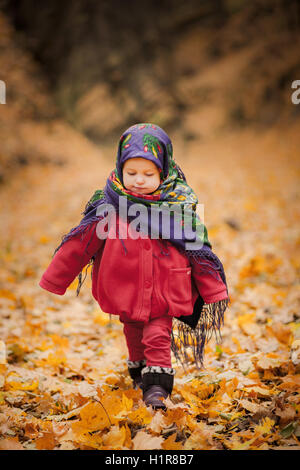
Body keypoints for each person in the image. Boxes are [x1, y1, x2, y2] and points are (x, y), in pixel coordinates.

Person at [39, 123, 229, 410]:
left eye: (148, 174)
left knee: (157, 335)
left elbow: (198, 250)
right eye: (131, 173)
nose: (139, 180)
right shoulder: (109, 205)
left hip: (165, 291)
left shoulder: (179, 205)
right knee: (134, 333)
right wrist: (56, 278)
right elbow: (81, 244)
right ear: (119, 168)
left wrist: (213, 289)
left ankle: (157, 388)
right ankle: (140, 374)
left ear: (163, 171)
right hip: (125, 289)